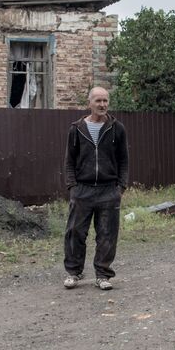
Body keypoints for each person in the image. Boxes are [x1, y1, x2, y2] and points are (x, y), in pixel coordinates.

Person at [62, 86, 128, 290]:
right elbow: (69, 161)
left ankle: (103, 274)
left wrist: (121, 187)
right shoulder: (76, 129)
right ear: (89, 103)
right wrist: (72, 187)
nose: (102, 105)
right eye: (98, 101)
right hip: (82, 189)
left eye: (105, 101)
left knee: (107, 234)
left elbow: (124, 160)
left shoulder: (117, 128)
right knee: (75, 232)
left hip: (109, 190)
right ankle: (74, 272)